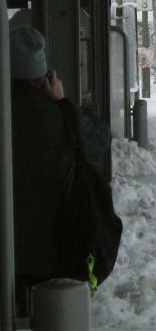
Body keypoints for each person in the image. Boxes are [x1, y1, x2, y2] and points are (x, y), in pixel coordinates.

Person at [9, 26, 112, 314]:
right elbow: (100, 139)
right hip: (53, 248)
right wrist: (62, 101)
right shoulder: (58, 115)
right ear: (44, 76)